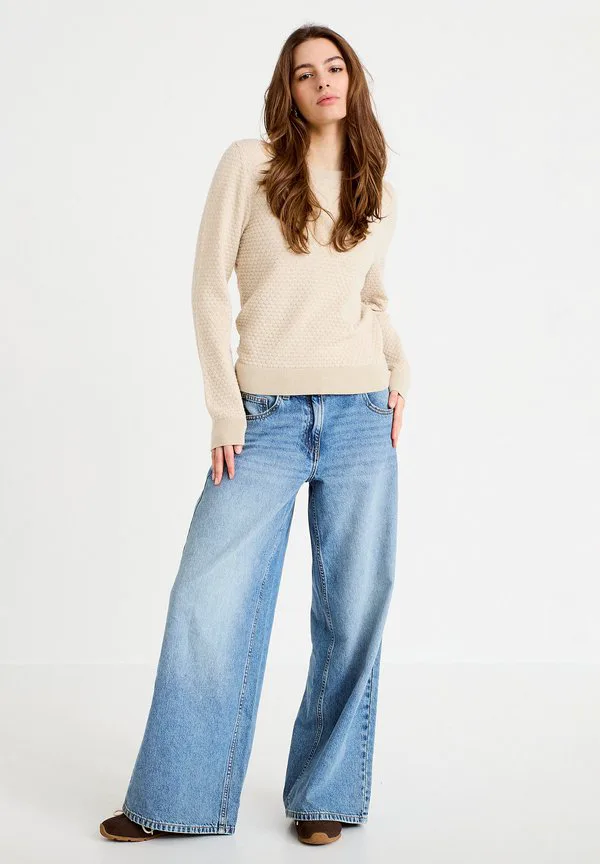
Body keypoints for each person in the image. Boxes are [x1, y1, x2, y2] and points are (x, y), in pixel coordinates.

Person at [99, 22, 411, 847]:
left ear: (353, 79)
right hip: (264, 419)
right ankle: (177, 797)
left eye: (334, 66)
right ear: (288, 89)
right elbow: (209, 286)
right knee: (207, 601)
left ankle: (326, 797)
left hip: (360, 415)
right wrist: (224, 408)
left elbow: (372, 294)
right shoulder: (250, 164)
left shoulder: (374, 179)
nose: (322, 81)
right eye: (305, 72)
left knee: (354, 608)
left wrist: (398, 370)